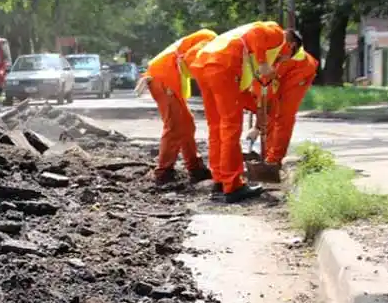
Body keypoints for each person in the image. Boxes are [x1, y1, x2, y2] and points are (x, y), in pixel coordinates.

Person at [188, 21, 294, 203]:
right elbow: (257, 32)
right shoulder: (276, 33)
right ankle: (233, 185)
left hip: (204, 64)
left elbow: (241, 91)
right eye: (281, 60)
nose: (278, 64)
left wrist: (258, 111)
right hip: (223, 65)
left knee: (216, 126)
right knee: (230, 126)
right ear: (290, 47)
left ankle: (220, 181)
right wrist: (263, 63)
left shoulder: (239, 41)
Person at [135, 29, 217, 185]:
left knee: (187, 124)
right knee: (175, 126)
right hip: (163, 78)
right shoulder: (210, 41)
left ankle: (195, 168)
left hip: (165, 77)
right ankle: (163, 172)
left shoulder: (207, 38)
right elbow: (192, 60)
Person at [245, 29, 317, 168]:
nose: (276, 52)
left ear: (292, 46)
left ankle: (274, 160)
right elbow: (264, 97)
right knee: (270, 112)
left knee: (283, 115)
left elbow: (272, 97)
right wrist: (257, 127)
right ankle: (266, 157)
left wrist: (257, 127)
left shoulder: (302, 64)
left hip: (298, 76)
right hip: (279, 75)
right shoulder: (272, 58)